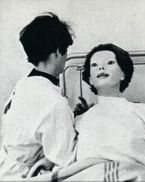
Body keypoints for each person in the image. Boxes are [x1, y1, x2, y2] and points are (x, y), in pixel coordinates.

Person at [26, 43, 145, 181]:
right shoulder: (76, 121)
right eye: (94, 65)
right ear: (90, 79)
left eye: (110, 62)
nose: (101, 67)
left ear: (123, 74)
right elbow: (61, 156)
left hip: (131, 175)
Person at [0, 12, 77, 179]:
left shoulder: (23, 86)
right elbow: (66, 160)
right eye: (65, 51)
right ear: (58, 52)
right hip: (21, 176)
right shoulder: (54, 102)